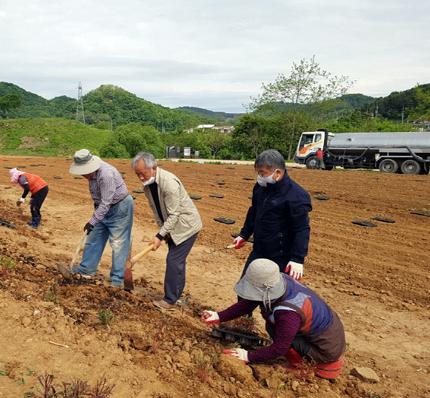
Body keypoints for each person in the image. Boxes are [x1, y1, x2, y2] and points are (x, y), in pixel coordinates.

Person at [201, 258, 346, 379]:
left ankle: (301, 367)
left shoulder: (288, 314)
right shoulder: (280, 281)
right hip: (327, 336)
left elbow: (280, 348)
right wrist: (219, 316)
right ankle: (301, 357)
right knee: (275, 326)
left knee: (274, 327)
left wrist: (248, 356)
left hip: (325, 350)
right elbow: (250, 302)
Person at [131, 152, 202, 311]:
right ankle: (176, 295)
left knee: (174, 261)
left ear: (154, 168)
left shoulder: (169, 183)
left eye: (143, 173)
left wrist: (159, 236)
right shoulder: (149, 185)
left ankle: (170, 300)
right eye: (138, 175)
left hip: (186, 226)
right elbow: (156, 210)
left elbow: (175, 214)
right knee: (177, 262)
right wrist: (163, 231)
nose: (141, 178)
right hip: (173, 226)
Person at [232, 149, 312, 281]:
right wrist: (244, 234)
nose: (259, 176)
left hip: (281, 257)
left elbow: (302, 229)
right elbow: (254, 211)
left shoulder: (297, 196)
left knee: (273, 297)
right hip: (258, 251)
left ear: (278, 172)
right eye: (258, 172)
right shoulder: (260, 188)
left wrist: (297, 259)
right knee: (245, 291)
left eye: (262, 173)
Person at [64, 149, 134, 288]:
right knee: (94, 237)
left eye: (84, 171)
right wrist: (94, 221)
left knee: (119, 244)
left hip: (120, 208)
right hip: (102, 209)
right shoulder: (91, 175)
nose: (82, 174)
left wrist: (92, 221)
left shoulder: (106, 174)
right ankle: (86, 268)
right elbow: (102, 203)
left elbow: (106, 202)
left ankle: (117, 279)